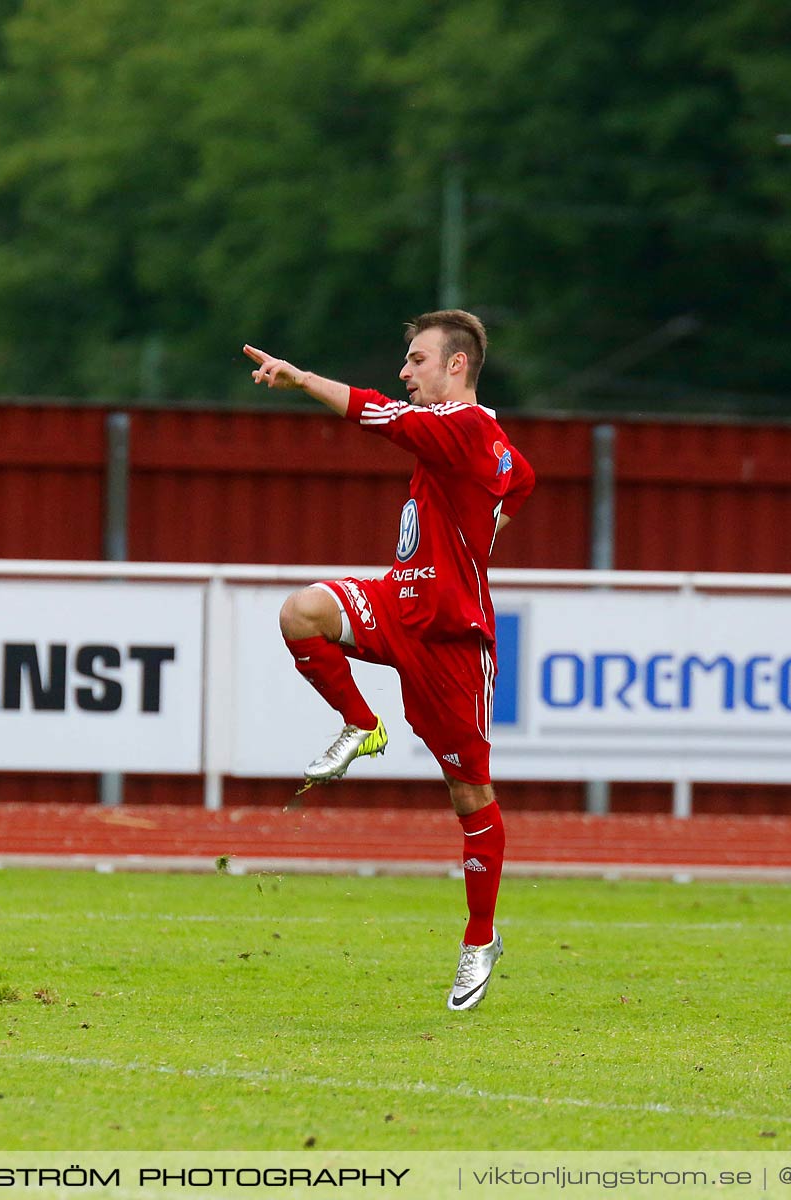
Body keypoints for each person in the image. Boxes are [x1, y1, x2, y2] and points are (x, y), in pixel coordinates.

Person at [242, 310, 536, 1011]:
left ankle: (479, 938)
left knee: (469, 797)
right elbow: (520, 478)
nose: (405, 373)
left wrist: (300, 377)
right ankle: (362, 725)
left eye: (417, 360)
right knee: (299, 613)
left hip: (450, 639)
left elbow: (379, 416)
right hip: (397, 601)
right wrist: (489, 524)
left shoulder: (464, 426)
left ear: (456, 366)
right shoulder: (484, 438)